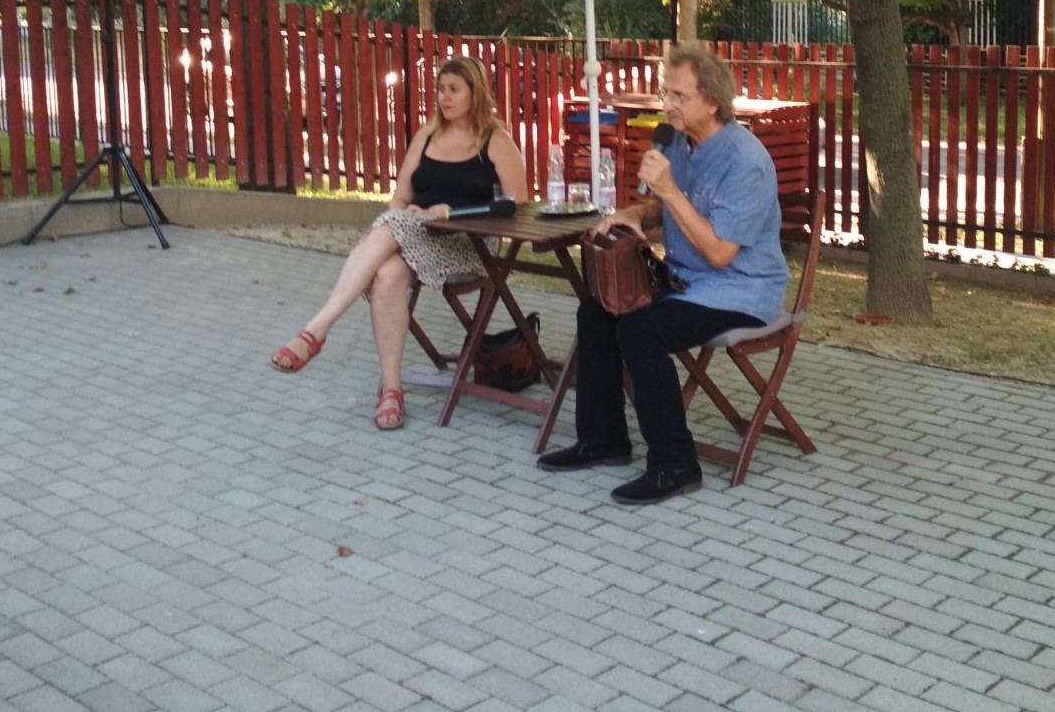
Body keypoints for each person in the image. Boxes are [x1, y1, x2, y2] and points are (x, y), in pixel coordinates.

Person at [538, 45, 789, 504]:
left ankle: (676, 464)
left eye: (679, 96)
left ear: (711, 102)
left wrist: (670, 190)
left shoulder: (745, 161)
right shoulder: (678, 141)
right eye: (664, 93)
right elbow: (665, 209)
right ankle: (604, 440)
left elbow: (719, 252)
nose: (667, 104)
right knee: (596, 312)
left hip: (740, 290)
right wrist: (635, 213)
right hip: (684, 281)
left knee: (640, 331)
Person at [269, 56, 527, 430]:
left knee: (391, 228)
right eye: (440, 89)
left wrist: (452, 214)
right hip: (418, 234)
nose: (444, 97)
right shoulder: (427, 136)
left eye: (454, 90)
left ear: (476, 93)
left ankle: (317, 329)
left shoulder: (495, 139)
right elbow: (399, 199)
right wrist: (415, 218)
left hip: (470, 244)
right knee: (387, 272)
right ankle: (392, 390)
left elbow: (516, 206)